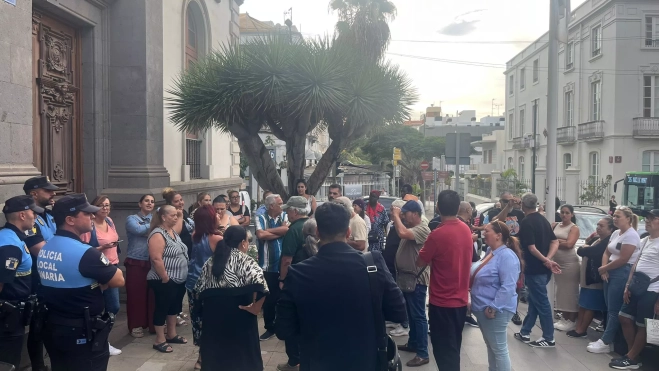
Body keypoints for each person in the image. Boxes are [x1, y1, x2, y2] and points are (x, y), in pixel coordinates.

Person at [275, 203, 407, 371]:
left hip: (317, 362)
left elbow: (283, 329)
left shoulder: (298, 273)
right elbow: (399, 312)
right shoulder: (372, 264)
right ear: (348, 232)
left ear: (317, 232)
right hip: (365, 361)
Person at [38, 194, 125, 371]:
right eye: (86, 214)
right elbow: (119, 279)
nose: (92, 216)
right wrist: (100, 283)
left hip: (54, 327)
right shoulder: (86, 253)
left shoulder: (46, 247)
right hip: (82, 333)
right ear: (70, 220)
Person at [192, 226, 268, 370]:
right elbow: (262, 287)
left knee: (217, 358)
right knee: (242, 359)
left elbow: (197, 290)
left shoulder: (211, 261)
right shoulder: (247, 261)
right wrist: (255, 309)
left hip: (213, 317)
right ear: (243, 243)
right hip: (240, 318)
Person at [417, 190, 474, 371]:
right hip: (460, 302)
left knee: (443, 352)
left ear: (438, 207)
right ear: (458, 208)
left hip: (441, 303)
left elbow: (419, 262)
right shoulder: (466, 230)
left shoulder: (437, 235)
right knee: (453, 348)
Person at [471, 221, 523, 371]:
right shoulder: (491, 251)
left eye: (487, 231)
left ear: (498, 236)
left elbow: (508, 286)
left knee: (499, 349)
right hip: (484, 308)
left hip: (495, 311)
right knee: (492, 347)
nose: (483, 233)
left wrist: (494, 307)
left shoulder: (507, 256)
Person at [588, 206, 641, 354]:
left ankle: (606, 340)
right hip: (610, 270)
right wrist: (604, 267)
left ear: (628, 219)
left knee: (614, 310)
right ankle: (610, 338)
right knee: (609, 306)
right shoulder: (617, 233)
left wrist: (606, 268)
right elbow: (607, 251)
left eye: (618, 216)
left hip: (621, 272)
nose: (615, 219)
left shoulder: (631, 235)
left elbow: (624, 259)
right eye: (614, 216)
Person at [610, 209, 659, 369]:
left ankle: (631, 357)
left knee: (642, 325)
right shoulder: (645, 240)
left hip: (653, 290)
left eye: (653, 218)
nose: (648, 220)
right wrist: (627, 286)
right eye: (647, 218)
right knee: (624, 317)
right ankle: (634, 355)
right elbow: (635, 265)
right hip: (636, 287)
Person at [514, 193, 561, 348]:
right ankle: (525, 332)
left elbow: (531, 248)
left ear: (523, 205)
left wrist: (546, 260)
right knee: (534, 301)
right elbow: (555, 241)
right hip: (544, 269)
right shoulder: (543, 220)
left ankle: (549, 337)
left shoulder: (527, 222)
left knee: (542, 303)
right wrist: (548, 259)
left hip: (534, 269)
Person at [0, 196, 42, 369]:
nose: (36, 217)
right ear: (22, 215)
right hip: (7, 317)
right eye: (33, 212)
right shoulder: (11, 244)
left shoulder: (11, 236)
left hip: (12, 314)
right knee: (8, 362)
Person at [22, 176, 58, 371]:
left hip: (53, 276)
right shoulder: (28, 218)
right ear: (33, 193)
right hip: (37, 279)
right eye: (48, 190)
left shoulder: (48, 215)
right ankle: (38, 365)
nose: (53, 193)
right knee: (37, 326)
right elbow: (40, 250)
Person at [80, 195, 122, 356]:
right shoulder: (89, 226)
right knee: (98, 306)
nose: (105, 208)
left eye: (108, 205)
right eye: (102, 205)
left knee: (113, 306)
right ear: (94, 208)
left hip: (112, 265)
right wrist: (102, 247)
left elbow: (115, 237)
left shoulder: (110, 221)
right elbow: (84, 249)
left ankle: (103, 338)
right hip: (98, 269)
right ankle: (98, 340)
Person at [392, 200, 431, 367]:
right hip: (408, 278)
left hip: (417, 279)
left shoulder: (422, 228)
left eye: (406, 214)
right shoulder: (411, 228)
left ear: (415, 214)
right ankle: (414, 342)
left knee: (419, 316)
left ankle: (422, 352)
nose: (404, 217)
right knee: (412, 315)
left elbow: (401, 232)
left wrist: (395, 216)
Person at [184, 205, 223, 370]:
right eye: (217, 214)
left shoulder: (195, 235)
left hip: (193, 284)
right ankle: (208, 357)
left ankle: (201, 357)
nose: (220, 215)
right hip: (210, 286)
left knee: (198, 321)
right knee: (213, 322)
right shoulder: (217, 239)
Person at [147, 205, 190, 353]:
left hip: (178, 279)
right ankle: (160, 339)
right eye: (172, 215)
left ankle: (171, 334)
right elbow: (156, 258)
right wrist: (165, 277)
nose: (176, 217)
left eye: (177, 215)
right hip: (164, 280)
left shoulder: (172, 232)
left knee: (174, 308)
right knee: (162, 308)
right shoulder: (158, 234)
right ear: (163, 217)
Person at [277, 196, 311, 371]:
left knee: (291, 321)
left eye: (288, 210)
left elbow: (286, 260)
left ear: (296, 211)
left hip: (295, 281)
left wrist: (282, 280)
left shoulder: (294, 229)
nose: (286, 213)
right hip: (311, 281)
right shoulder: (313, 225)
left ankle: (294, 362)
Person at [570, 217, 615, 338]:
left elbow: (589, 251)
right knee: (583, 303)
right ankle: (578, 327)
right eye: (598, 225)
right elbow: (581, 250)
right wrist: (585, 247)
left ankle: (582, 330)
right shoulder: (596, 239)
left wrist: (585, 248)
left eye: (602, 226)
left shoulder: (607, 241)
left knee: (590, 305)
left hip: (595, 279)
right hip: (586, 278)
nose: (598, 228)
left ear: (611, 229)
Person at [254, 194, 288, 341]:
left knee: (283, 297)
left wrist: (269, 232)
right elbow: (261, 235)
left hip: (284, 264)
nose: (283, 207)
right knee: (268, 297)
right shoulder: (260, 216)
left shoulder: (285, 215)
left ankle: (282, 325)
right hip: (267, 265)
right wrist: (280, 232)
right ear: (272, 206)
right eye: (280, 204)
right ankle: (269, 327)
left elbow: (287, 230)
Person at [125, 194, 156, 338]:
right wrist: (153, 224)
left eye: (152, 202)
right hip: (136, 260)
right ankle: (135, 325)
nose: (150, 203)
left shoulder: (154, 219)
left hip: (153, 260)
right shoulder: (131, 219)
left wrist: (148, 228)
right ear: (140, 204)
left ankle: (150, 324)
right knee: (136, 294)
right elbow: (137, 230)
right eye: (146, 201)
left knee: (151, 295)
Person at [552, 204, 581, 332]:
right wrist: (559, 241)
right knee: (561, 292)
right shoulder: (555, 225)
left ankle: (572, 319)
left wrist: (556, 241)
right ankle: (564, 317)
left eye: (567, 213)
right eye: (562, 212)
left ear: (572, 214)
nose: (564, 215)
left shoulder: (574, 228)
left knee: (570, 291)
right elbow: (548, 239)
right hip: (557, 262)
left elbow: (569, 244)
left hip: (569, 263)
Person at [383, 199, 410, 337]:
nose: (391, 213)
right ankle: (397, 320)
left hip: (397, 267)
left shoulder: (403, 226)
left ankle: (405, 324)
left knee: (400, 295)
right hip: (390, 265)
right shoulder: (393, 225)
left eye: (394, 210)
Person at [458, 201, 482, 328]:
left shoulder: (465, 223)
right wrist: (470, 239)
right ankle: (464, 314)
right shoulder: (461, 224)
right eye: (471, 209)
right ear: (468, 210)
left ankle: (466, 314)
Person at [162, 187, 193, 254]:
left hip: (190, 248)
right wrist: (180, 216)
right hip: (178, 250)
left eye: (181, 200)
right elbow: (174, 233)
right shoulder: (170, 216)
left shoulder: (184, 211)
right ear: (170, 204)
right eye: (176, 201)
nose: (180, 203)